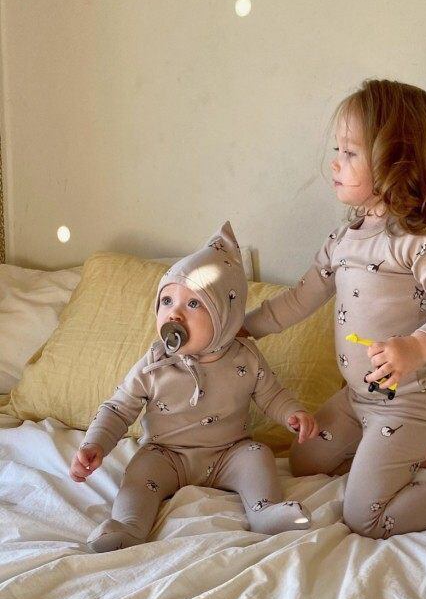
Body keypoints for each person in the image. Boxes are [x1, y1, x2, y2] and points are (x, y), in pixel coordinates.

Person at [240, 79, 426, 539]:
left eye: (350, 152)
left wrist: (417, 346)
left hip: (405, 404)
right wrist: (245, 328)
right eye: (338, 150)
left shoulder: (419, 242)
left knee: (365, 517)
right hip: (355, 399)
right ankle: (411, 458)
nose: (334, 162)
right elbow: (299, 299)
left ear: (398, 164)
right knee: (303, 460)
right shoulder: (342, 241)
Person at [70, 221, 318, 552]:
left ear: (225, 316)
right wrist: (95, 443)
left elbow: (271, 394)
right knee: (140, 471)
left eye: (193, 304)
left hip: (229, 452)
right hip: (166, 453)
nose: (174, 314)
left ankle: (264, 512)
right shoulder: (155, 362)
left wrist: (292, 413)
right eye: (167, 300)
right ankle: (129, 526)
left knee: (258, 455)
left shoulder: (245, 357)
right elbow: (118, 408)